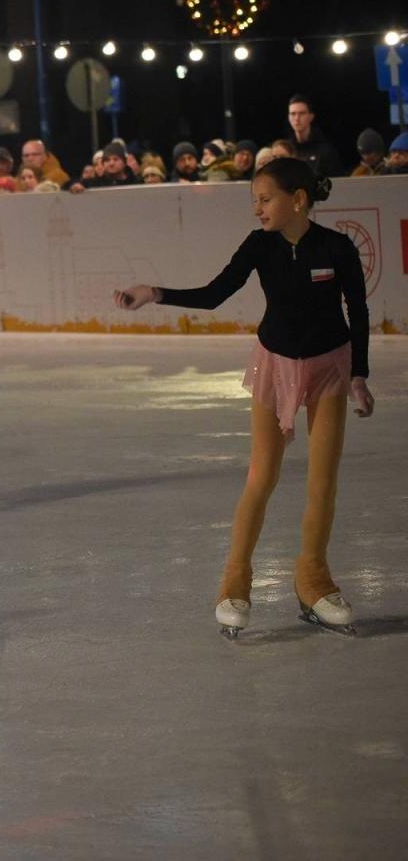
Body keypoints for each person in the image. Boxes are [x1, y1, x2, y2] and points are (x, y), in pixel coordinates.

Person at [113, 158, 374, 639]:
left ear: (297, 199)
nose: (257, 208)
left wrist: (359, 374)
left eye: (265, 198)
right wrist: (154, 292)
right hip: (275, 364)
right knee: (262, 475)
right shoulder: (260, 246)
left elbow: (357, 311)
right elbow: (215, 294)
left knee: (323, 480)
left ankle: (313, 579)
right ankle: (234, 581)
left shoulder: (337, 248)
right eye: (253, 200)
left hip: (330, 368)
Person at [285, 94, 343, 177]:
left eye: (302, 113)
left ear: (311, 116)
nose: (297, 118)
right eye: (293, 114)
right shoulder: (287, 149)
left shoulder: (326, 152)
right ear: (288, 117)